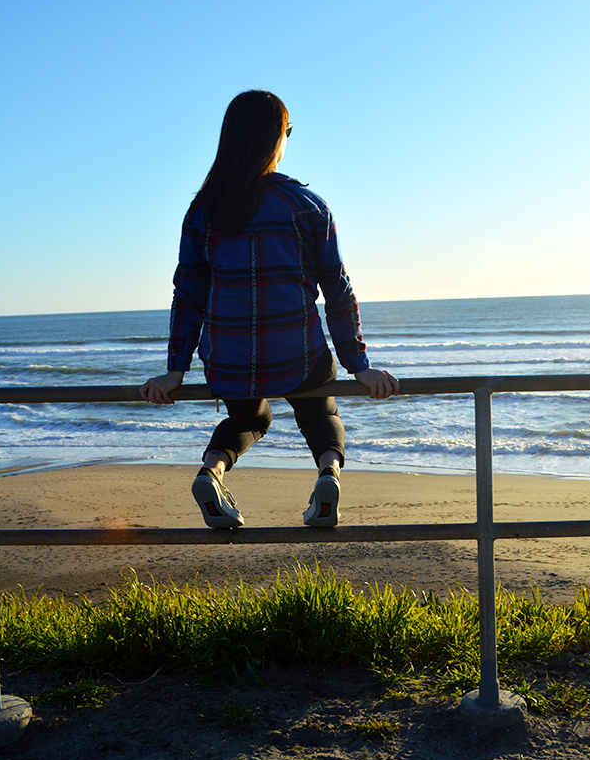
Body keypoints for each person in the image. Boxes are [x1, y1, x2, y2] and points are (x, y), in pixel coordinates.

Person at [140, 90, 399, 528]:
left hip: (229, 362)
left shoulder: (204, 211)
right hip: (298, 355)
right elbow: (337, 290)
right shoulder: (306, 206)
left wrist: (175, 371)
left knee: (250, 416)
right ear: (277, 138)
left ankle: (212, 472)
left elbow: (187, 293)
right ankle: (328, 475)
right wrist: (360, 367)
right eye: (288, 131)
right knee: (320, 412)